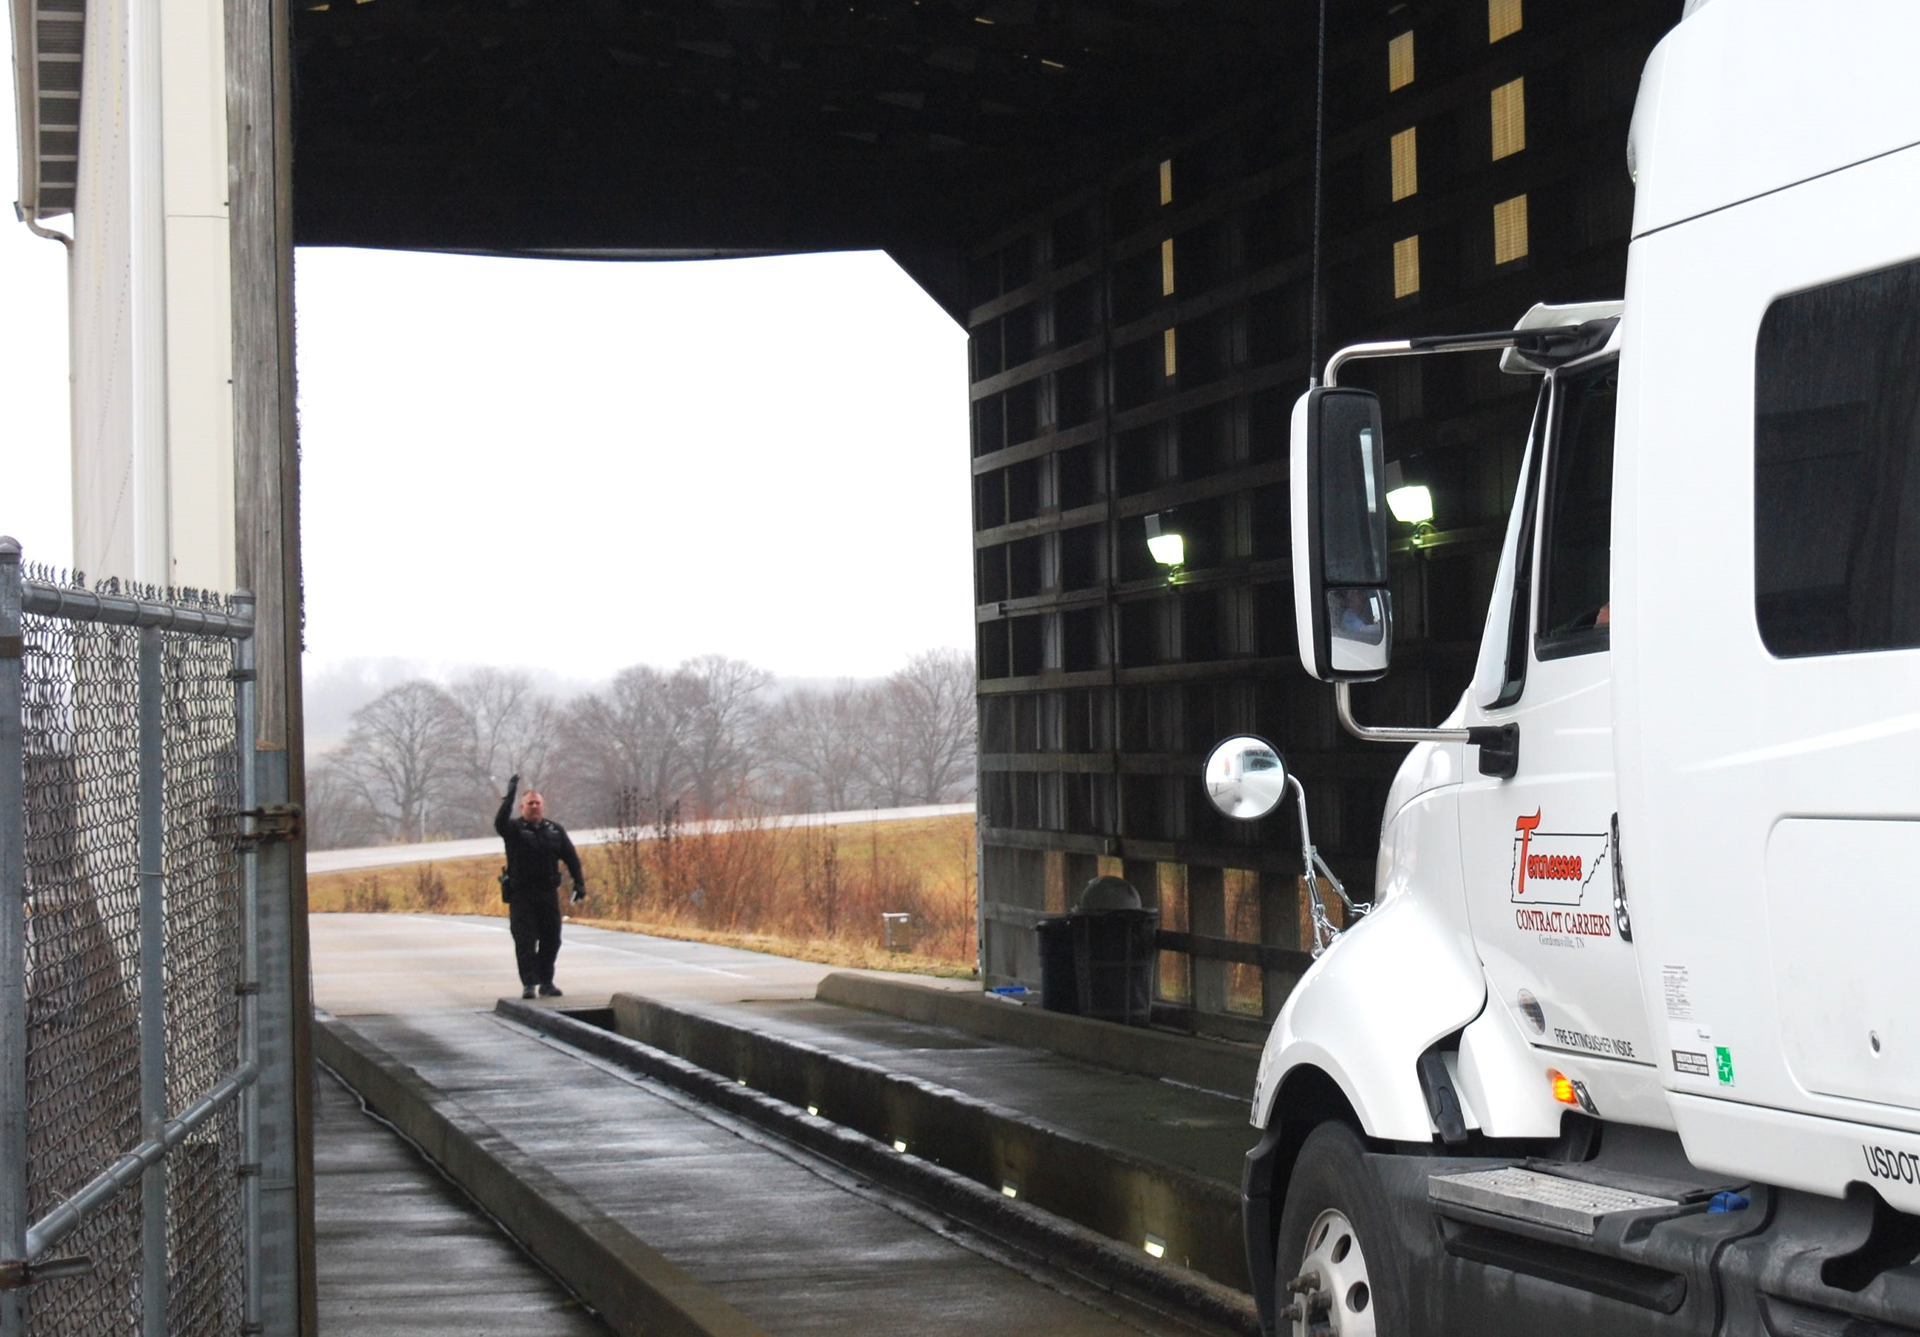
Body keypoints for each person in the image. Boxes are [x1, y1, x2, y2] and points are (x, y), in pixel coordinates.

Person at [494, 774, 586, 999]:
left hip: (547, 893)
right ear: (522, 807)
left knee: (552, 938)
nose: (534, 807)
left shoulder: (554, 830)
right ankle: (528, 984)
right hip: (521, 894)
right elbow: (499, 823)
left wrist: (579, 882)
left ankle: (546, 981)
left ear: (543, 806)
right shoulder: (514, 830)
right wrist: (509, 796)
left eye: (538, 803)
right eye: (530, 804)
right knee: (525, 940)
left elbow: (571, 857)